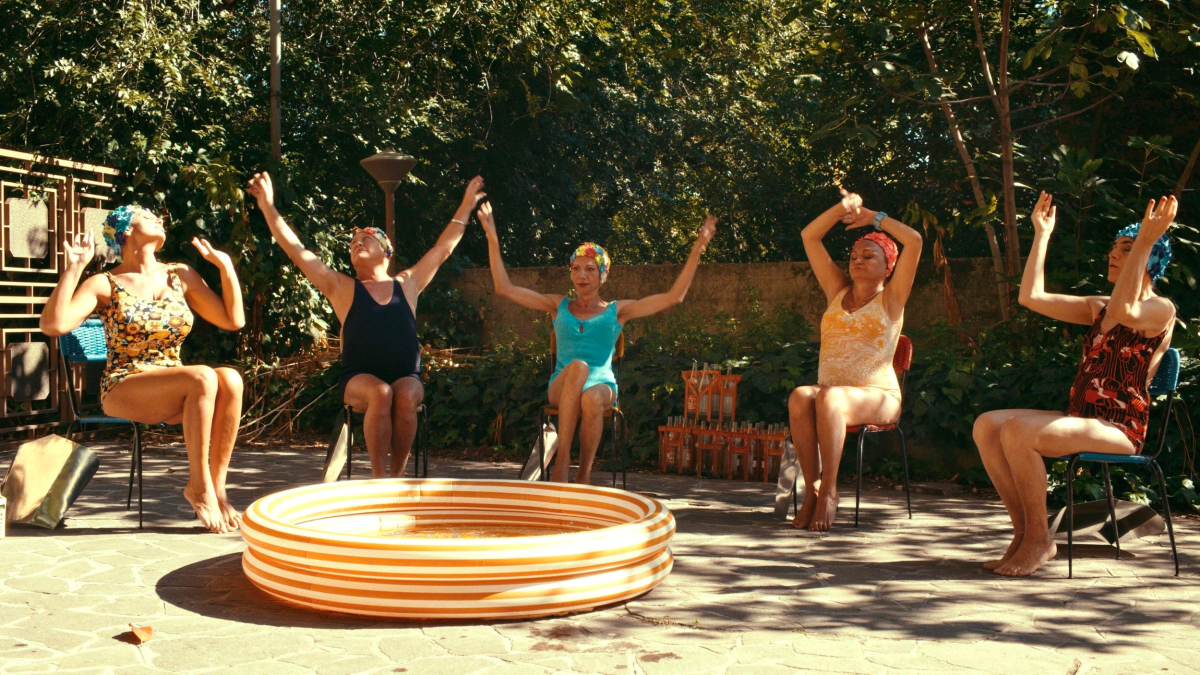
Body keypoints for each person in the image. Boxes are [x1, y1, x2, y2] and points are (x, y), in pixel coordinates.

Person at [973, 192, 1177, 576]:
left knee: (1018, 431)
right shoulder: (1097, 306)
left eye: (1128, 248)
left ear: (1151, 258)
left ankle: (1039, 539)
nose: (1114, 254)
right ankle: (1025, 533)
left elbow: (1125, 310)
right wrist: (1042, 233)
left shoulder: (1160, 310)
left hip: (1120, 428)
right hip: (1081, 418)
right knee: (988, 424)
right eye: (1115, 247)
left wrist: (1147, 239)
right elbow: (1030, 297)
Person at [246, 171, 485, 478]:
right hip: (358, 379)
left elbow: (443, 249)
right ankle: (378, 479)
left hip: (405, 375)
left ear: (387, 253)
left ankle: (396, 479)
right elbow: (296, 250)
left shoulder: (408, 283)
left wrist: (465, 206)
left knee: (406, 394)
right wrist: (268, 206)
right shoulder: (341, 287)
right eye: (353, 242)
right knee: (381, 393)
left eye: (366, 239)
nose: (357, 243)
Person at [39, 206, 246, 533]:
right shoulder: (104, 283)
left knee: (231, 380)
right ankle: (199, 486)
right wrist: (74, 267)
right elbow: (53, 325)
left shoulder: (181, 275)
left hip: (179, 387)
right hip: (125, 385)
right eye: (147, 216)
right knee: (203, 376)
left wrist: (226, 267)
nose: (159, 219)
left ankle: (216, 488)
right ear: (125, 231)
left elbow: (233, 320)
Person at [480, 200, 717, 483]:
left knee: (591, 398)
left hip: (602, 386)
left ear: (603, 274)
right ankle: (563, 460)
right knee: (578, 367)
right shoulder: (558, 305)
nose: (582, 275)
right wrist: (493, 238)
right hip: (562, 383)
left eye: (590, 269)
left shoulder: (617, 311)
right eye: (576, 268)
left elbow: (673, 297)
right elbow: (504, 288)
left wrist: (697, 249)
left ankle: (583, 476)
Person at [788, 189, 923, 531]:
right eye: (854, 255)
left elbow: (916, 240)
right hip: (831, 397)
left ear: (888, 267)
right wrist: (843, 208)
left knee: (828, 395)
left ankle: (831, 491)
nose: (858, 260)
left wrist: (874, 217)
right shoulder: (837, 290)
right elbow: (809, 236)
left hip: (879, 398)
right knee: (802, 395)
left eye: (869, 256)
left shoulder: (892, 298)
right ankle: (812, 489)